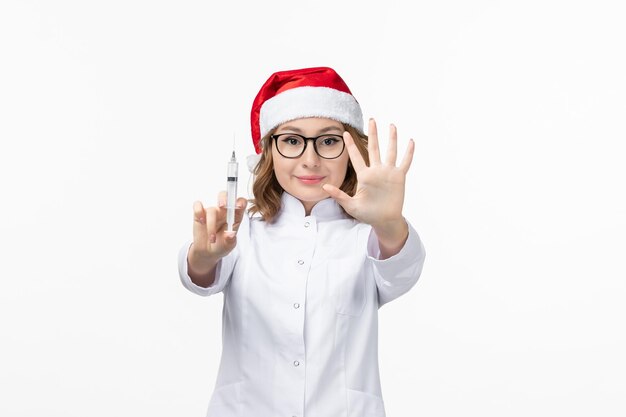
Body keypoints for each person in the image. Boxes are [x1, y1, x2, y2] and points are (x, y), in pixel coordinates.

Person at [178, 66, 426, 417]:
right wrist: (203, 256)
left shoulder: (365, 234)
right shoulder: (243, 228)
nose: (310, 160)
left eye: (328, 141)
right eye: (292, 141)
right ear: (269, 151)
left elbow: (401, 273)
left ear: (351, 149)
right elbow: (201, 278)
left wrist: (388, 223)